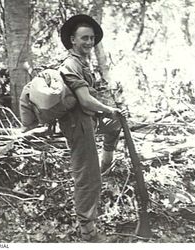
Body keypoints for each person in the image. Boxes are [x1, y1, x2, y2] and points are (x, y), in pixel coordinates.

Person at [58, 14, 125, 242]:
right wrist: (108, 109)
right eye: (84, 38)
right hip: (78, 125)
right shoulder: (70, 65)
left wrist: (109, 113)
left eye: (92, 38)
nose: (89, 42)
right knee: (87, 177)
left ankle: (106, 163)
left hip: (89, 120)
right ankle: (88, 230)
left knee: (115, 123)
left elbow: (91, 100)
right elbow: (85, 101)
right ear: (72, 40)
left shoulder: (82, 62)